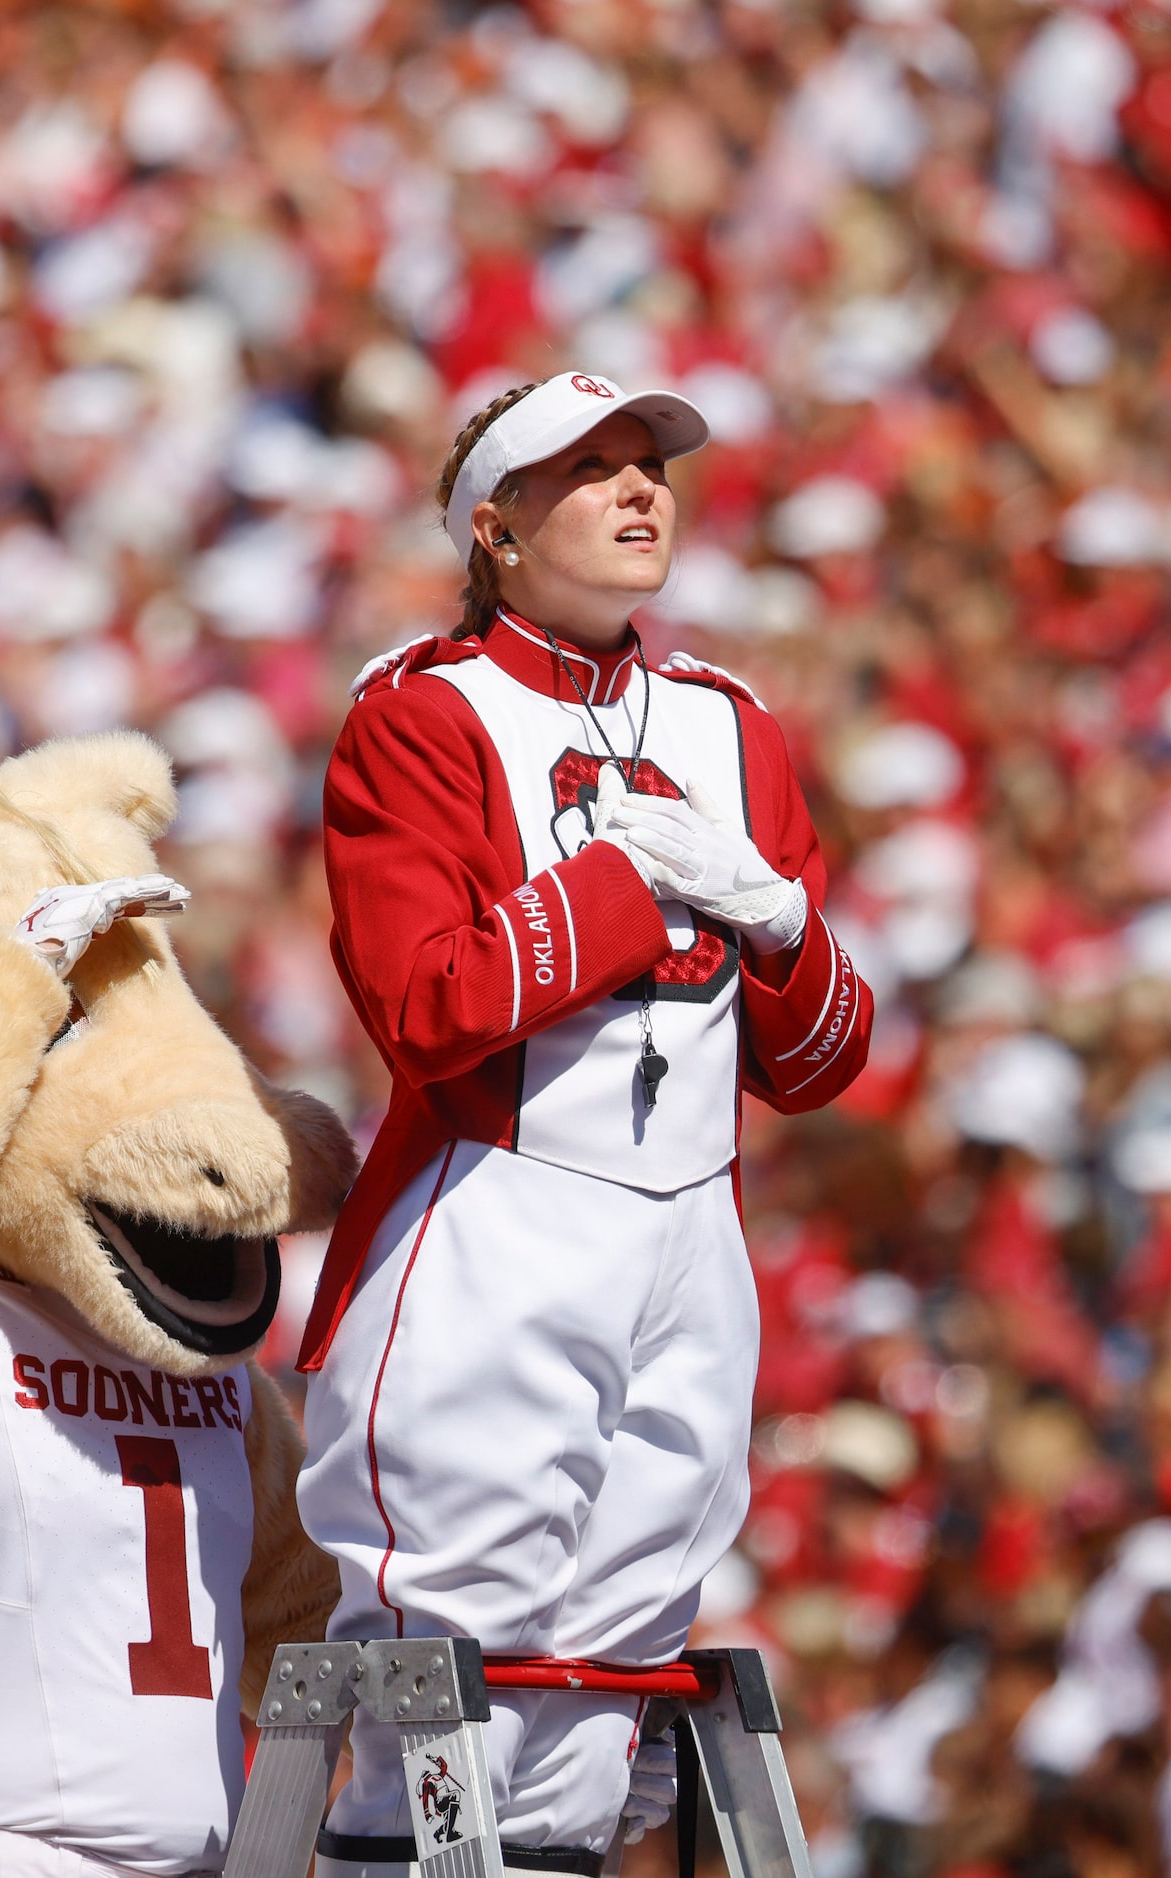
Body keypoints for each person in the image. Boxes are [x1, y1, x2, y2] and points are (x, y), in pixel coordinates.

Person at [292, 373, 879, 1868]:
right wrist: (629, 883)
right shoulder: (420, 710)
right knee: (450, 1683)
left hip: (694, 1229)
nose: (640, 491)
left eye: (652, 465)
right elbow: (426, 1006)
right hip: (498, 1214)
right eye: (591, 470)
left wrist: (774, 919)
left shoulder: (730, 723)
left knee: (617, 1669)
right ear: (492, 527)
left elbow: (821, 1059)